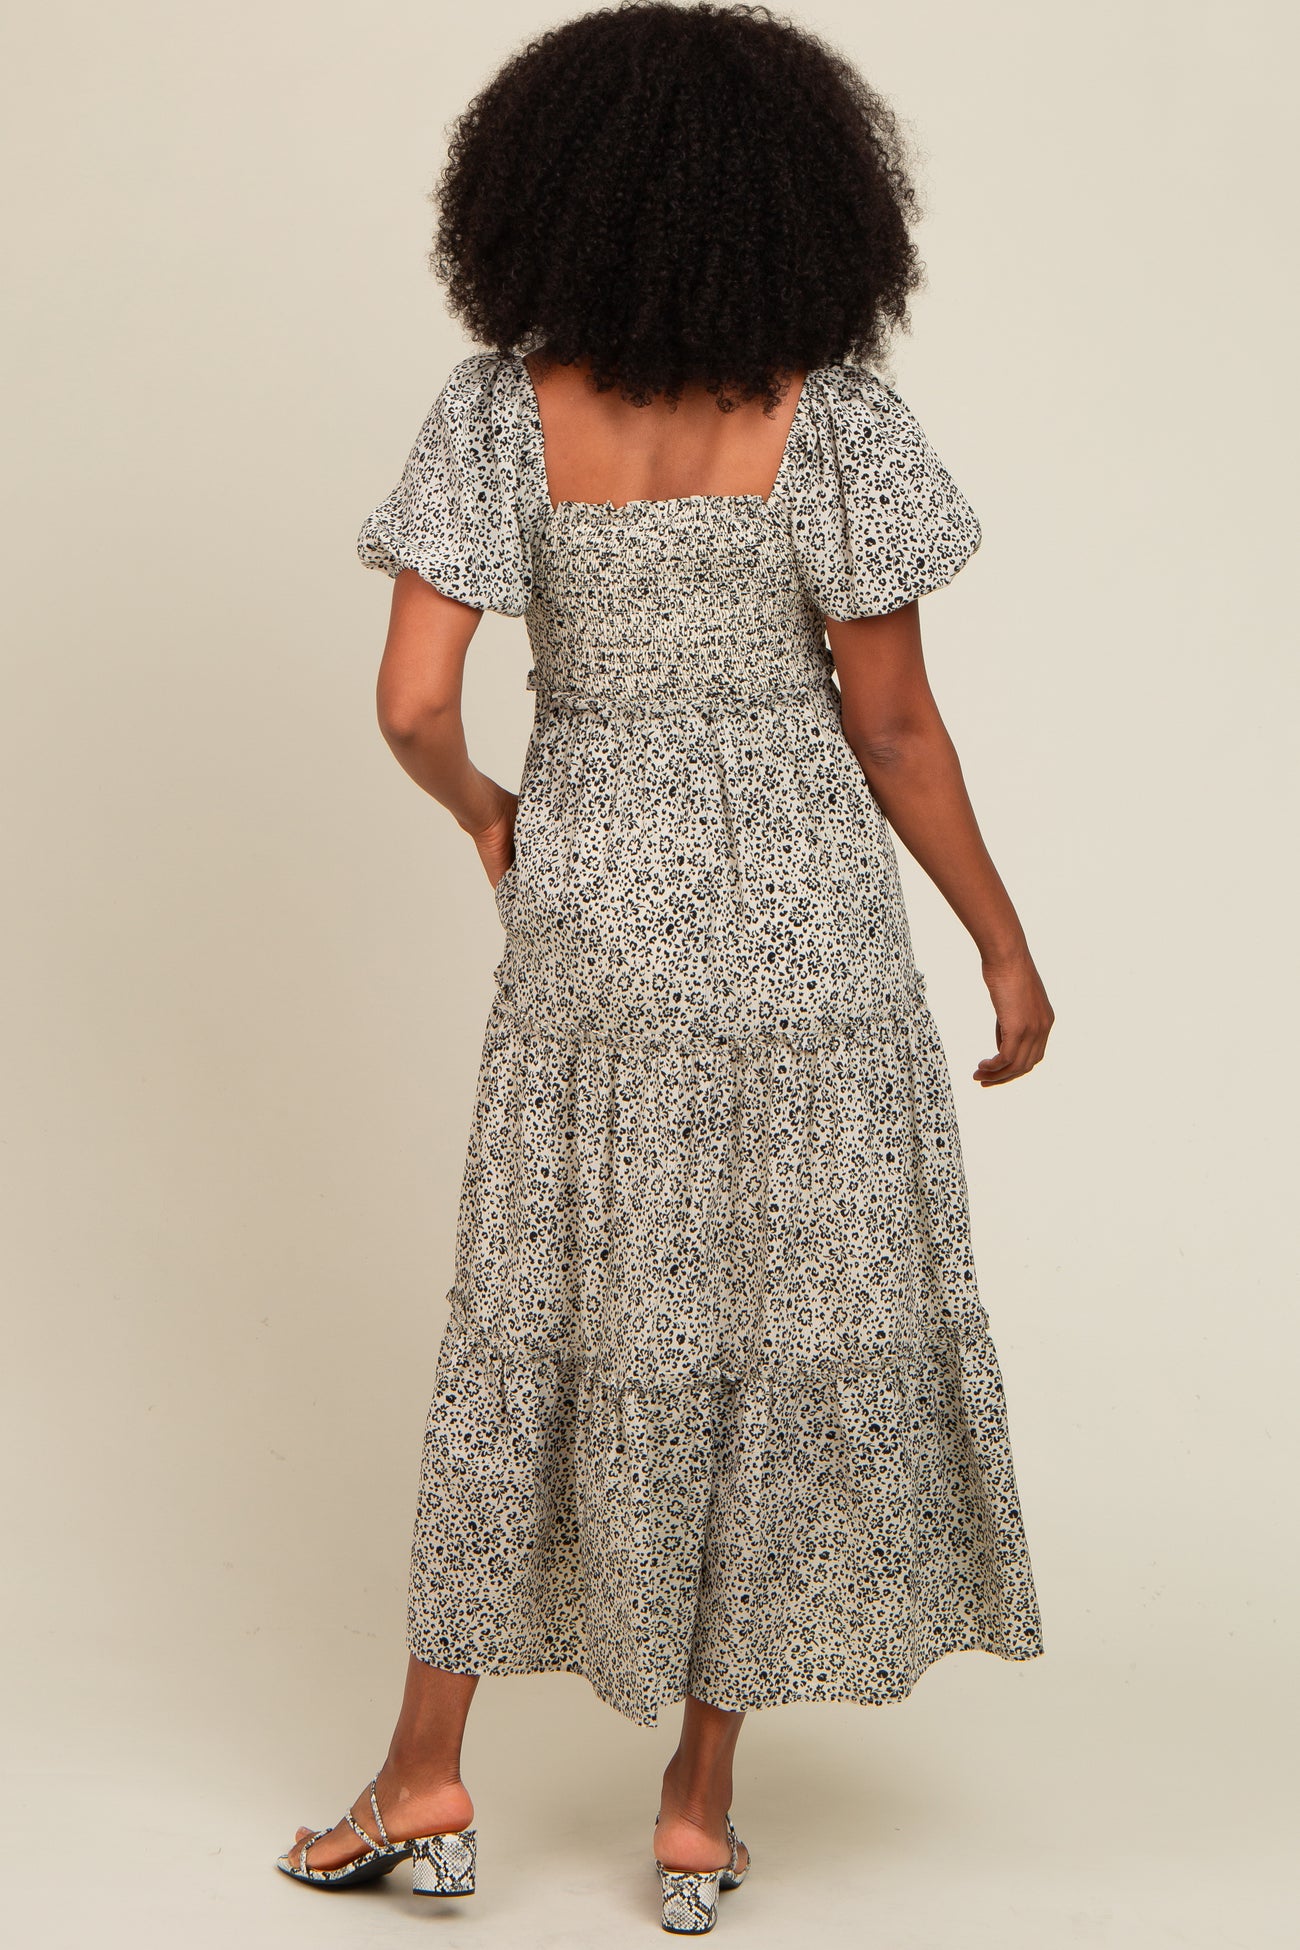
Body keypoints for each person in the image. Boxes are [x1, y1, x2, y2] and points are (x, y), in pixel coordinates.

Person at [277, 0, 1052, 1933]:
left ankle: (423, 1775)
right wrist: (1004, 945)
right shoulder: (836, 422)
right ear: (811, 207)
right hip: (809, 927)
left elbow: (411, 702)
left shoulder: (495, 415)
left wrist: (490, 811)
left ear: (539, 199)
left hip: (596, 916)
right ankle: (697, 1807)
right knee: (775, 1333)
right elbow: (896, 729)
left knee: (531, 1314)